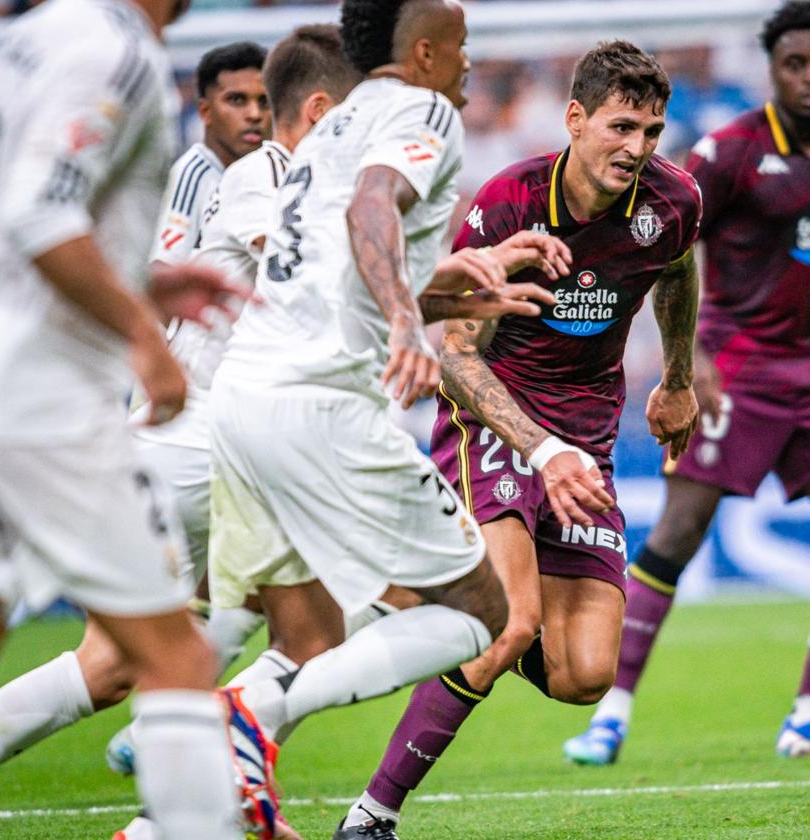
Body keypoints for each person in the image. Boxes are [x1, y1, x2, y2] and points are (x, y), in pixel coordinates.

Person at [0, 26, 355, 825]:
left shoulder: (38, 38)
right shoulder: (243, 159)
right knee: (318, 633)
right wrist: (144, 337)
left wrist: (153, 294)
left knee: (112, 663)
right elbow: (41, 214)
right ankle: (194, 812)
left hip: (42, 387)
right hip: (200, 437)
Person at [206, 0, 567, 832]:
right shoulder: (422, 108)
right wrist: (414, 324)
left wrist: (461, 292)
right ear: (428, 51)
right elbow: (371, 209)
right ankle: (250, 717)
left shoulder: (334, 126)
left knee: (373, 605)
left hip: (245, 401)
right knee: (482, 614)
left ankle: (180, 803)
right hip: (322, 406)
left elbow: (354, 263)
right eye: (465, 47)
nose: (472, 65)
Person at [337, 40, 703, 839]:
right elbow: (455, 358)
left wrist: (677, 378)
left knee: (585, 676)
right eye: (620, 127)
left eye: (651, 130)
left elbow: (677, 270)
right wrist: (541, 448)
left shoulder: (671, 204)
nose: (636, 148)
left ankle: (446, 612)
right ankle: (371, 817)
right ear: (575, 119)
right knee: (510, 623)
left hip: (587, 436)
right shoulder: (506, 204)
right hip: (494, 417)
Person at [565, 0, 810, 766]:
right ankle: (611, 714)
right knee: (678, 534)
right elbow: (671, 240)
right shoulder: (728, 151)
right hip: (734, 364)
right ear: (772, 68)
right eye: (796, 63)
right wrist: (688, 359)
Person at [150, 41, 269, 266]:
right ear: (205, 111)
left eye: (264, 101)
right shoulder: (194, 174)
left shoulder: (263, 172)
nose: (254, 114)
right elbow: (163, 267)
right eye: (237, 100)